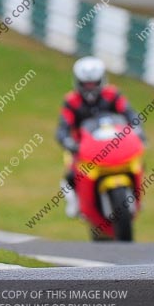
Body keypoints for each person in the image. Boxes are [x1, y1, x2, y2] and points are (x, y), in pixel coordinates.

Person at [55, 57, 144, 218]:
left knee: (137, 162)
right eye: (86, 84)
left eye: (94, 83)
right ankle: (76, 204)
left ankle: (137, 196)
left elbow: (129, 113)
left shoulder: (112, 94)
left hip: (113, 143)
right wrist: (68, 142)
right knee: (70, 175)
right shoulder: (71, 101)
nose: (90, 88)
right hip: (81, 148)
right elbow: (63, 128)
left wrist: (137, 128)